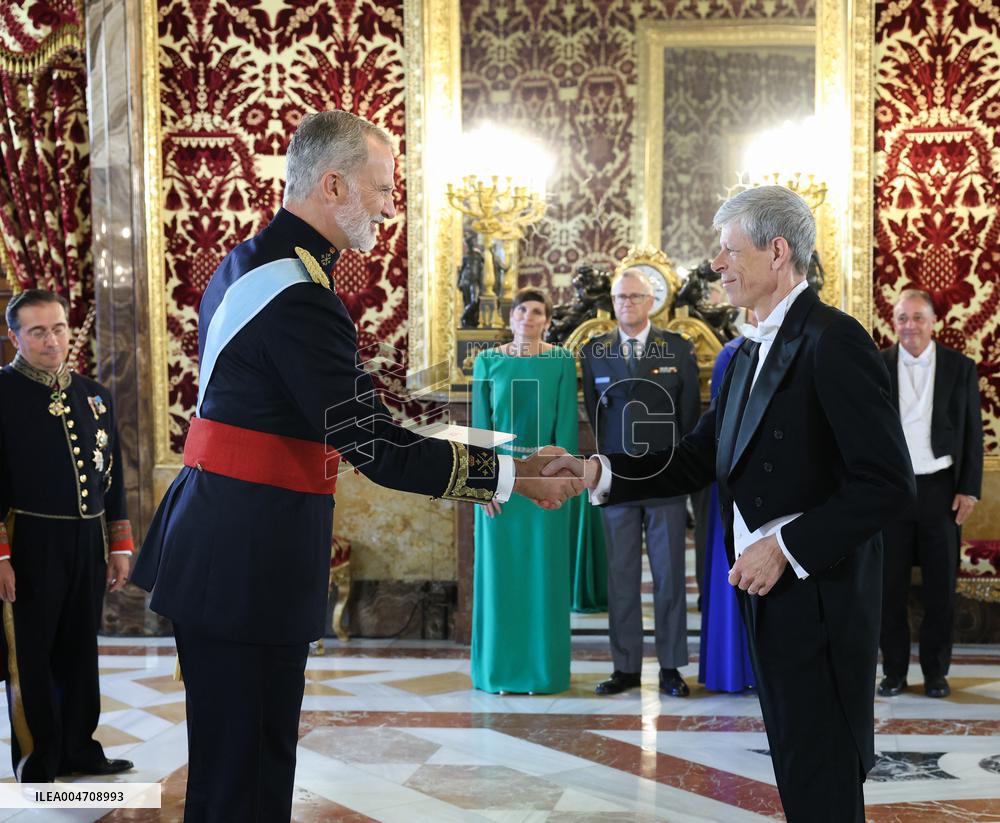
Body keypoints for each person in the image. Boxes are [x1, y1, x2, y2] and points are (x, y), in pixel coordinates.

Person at [131, 111, 580, 822]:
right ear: (333, 183)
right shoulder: (299, 297)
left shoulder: (250, 262)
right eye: (381, 187)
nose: (389, 206)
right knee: (246, 773)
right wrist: (512, 479)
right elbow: (373, 444)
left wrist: (504, 463)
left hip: (228, 541)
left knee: (236, 765)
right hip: (246, 556)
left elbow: (349, 422)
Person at [545, 186, 916, 822]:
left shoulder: (834, 339)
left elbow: (887, 482)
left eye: (729, 250)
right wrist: (594, 470)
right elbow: (696, 457)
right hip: (766, 592)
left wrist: (786, 548)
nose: (716, 264)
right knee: (797, 765)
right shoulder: (743, 354)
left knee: (824, 770)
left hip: (819, 596)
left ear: (778, 252)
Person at [0, 289, 134, 782]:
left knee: (80, 649)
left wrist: (119, 545)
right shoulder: (3, 391)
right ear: (14, 336)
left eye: (58, 328)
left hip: (87, 542)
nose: (52, 340)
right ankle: (38, 759)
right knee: (31, 655)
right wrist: (0, 557)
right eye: (37, 331)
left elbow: (111, 477)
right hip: (28, 542)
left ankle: (80, 749)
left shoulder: (94, 395)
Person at [579, 267, 700, 697]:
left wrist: (680, 469)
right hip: (617, 480)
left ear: (651, 302)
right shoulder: (594, 351)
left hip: (665, 478)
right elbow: (596, 414)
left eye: (634, 296)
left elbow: (689, 417)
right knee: (622, 576)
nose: (626, 303)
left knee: (669, 577)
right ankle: (625, 666)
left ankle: (670, 667)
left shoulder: (678, 347)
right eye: (619, 297)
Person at [471, 287, 587, 693]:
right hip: (498, 486)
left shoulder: (561, 361)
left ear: (547, 321)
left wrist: (560, 485)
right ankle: (498, 672)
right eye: (522, 309)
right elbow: (479, 430)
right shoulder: (487, 361)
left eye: (537, 311)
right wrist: (482, 486)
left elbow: (566, 428)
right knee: (500, 580)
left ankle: (544, 672)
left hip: (545, 486)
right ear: (511, 317)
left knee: (543, 580)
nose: (529, 316)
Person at [877, 289, 984, 699]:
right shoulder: (878, 365)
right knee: (889, 589)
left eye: (918, 317)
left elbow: (973, 433)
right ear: (894, 322)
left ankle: (936, 673)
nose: (910, 326)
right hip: (892, 490)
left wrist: (968, 489)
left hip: (941, 490)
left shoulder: (960, 367)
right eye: (902, 318)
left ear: (934, 321)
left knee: (941, 590)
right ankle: (894, 672)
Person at [698, 335, 755, 693]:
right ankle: (733, 668)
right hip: (732, 481)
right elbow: (716, 429)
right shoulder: (731, 354)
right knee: (731, 573)